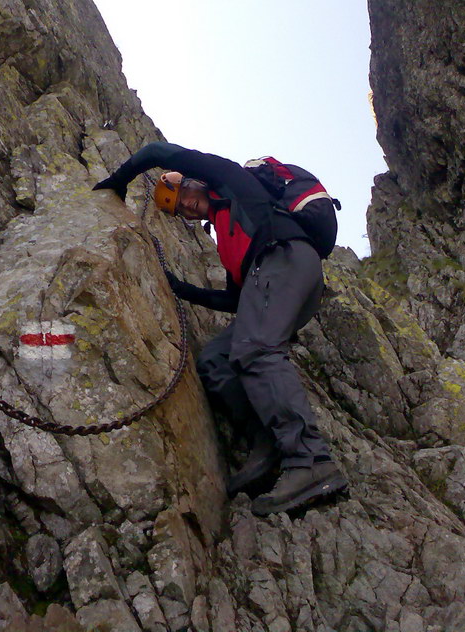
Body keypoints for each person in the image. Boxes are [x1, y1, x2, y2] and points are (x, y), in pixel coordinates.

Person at [93, 141, 347, 515]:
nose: (185, 206)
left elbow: (156, 151)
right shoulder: (228, 241)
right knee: (217, 360)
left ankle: (310, 460)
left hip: (286, 259)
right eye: (178, 209)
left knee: (257, 349)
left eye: (182, 195)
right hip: (278, 279)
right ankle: (267, 442)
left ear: (193, 182)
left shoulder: (232, 183)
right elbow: (233, 301)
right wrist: (180, 289)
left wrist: (117, 182)